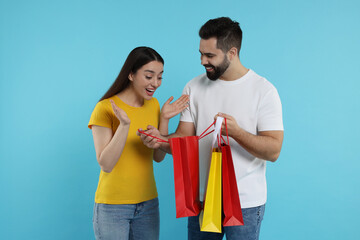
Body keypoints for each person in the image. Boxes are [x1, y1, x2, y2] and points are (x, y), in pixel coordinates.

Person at [139, 17, 284, 240]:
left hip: (245, 202)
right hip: (203, 200)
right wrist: (160, 140)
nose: (202, 61)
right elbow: (183, 140)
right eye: (200, 53)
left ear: (232, 53)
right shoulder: (194, 87)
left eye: (209, 56)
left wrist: (237, 132)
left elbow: (273, 151)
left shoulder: (263, 91)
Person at [88, 46, 189, 240]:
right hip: (113, 207)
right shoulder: (105, 108)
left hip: (148, 204)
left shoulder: (154, 105)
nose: (155, 83)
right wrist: (124, 125)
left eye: (160, 77)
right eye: (149, 76)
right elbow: (106, 164)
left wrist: (164, 120)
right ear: (131, 74)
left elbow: (158, 157)